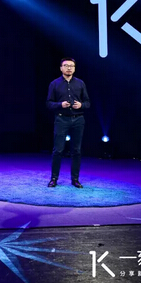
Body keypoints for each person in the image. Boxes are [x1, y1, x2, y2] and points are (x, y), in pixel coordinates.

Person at [46, 58, 90, 188]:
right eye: (66, 65)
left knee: (76, 150)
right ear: (61, 68)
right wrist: (60, 105)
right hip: (61, 119)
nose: (69, 68)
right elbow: (49, 103)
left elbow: (87, 102)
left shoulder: (80, 83)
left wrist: (81, 105)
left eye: (71, 66)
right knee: (58, 150)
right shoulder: (54, 84)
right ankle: (54, 178)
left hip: (78, 119)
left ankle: (75, 179)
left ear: (74, 68)